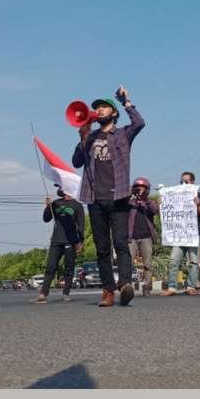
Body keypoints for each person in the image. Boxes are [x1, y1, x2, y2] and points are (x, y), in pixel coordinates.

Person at [72, 86, 145, 307]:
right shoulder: (91, 136)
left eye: (103, 107)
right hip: (94, 198)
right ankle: (108, 291)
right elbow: (77, 162)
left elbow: (140, 123)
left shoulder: (123, 133)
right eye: (96, 108)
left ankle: (124, 284)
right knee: (102, 248)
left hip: (119, 196)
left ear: (113, 112)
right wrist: (83, 136)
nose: (99, 110)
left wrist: (126, 101)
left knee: (121, 243)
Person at [161, 171, 200, 296]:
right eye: (181, 181)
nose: (183, 183)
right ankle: (172, 287)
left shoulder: (199, 196)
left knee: (193, 261)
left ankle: (191, 286)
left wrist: (198, 204)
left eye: (186, 181)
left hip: (194, 234)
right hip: (179, 235)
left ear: (192, 182)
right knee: (173, 260)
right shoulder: (175, 195)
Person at [33, 190, 85, 304]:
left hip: (70, 241)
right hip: (56, 240)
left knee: (69, 269)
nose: (60, 189)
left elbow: (81, 225)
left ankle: (66, 293)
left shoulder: (77, 206)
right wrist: (48, 206)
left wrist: (80, 242)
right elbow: (46, 219)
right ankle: (43, 294)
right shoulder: (55, 203)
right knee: (50, 267)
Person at [128, 177, 159, 297]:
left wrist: (145, 200)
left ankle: (146, 287)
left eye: (142, 189)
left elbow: (154, 210)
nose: (140, 192)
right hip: (132, 238)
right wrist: (133, 196)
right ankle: (128, 287)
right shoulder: (129, 203)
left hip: (146, 237)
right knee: (128, 264)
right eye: (137, 189)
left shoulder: (149, 203)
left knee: (148, 264)